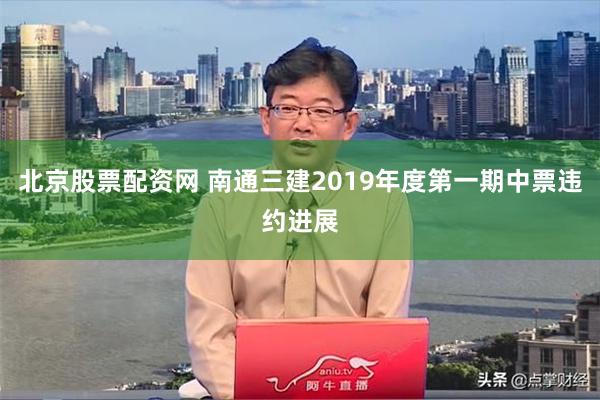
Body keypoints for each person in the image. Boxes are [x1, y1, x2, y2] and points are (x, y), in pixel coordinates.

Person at [183, 37, 413, 399]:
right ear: (266, 119)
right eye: (287, 109)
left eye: (321, 111)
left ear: (349, 125)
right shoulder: (221, 206)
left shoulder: (385, 204)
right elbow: (210, 335)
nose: (302, 125)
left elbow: (386, 330)